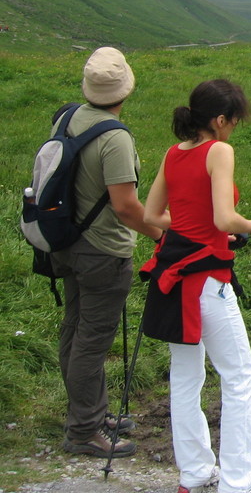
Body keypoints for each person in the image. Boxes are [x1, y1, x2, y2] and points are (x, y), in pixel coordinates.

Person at [142, 79, 251, 493]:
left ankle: (195, 472)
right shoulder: (218, 151)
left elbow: (151, 215)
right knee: (239, 376)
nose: (234, 128)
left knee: (186, 377)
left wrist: (191, 224)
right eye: (234, 121)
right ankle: (238, 480)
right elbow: (224, 218)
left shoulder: (173, 154)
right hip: (206, 281)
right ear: (220, 120)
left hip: (172, 278)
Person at [51, 46, 164, 458]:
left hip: (65, 242)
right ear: (125, 89)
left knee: (75, 329)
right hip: (102, 252)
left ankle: (91, 412)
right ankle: (84, 430)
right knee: (92, 340)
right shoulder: (115, 138)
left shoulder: (68, 118)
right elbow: (126, 208)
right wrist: (161, 234)